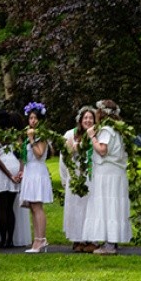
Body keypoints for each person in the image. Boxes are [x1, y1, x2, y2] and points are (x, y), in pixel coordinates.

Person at [83, 99, 132, 255]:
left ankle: (109, 245)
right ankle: (111, 240)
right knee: (112, 206)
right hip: (116, 174)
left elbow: (102, 150)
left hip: (107, 174)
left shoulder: (106, 130)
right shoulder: (118, 130)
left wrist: (92, 136)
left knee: (106, 205)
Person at [20, 102, 54, 253]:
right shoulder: (29, 135)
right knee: (32, 207)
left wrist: (32, 139)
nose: (32, 121)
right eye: (30, 118)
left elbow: (39, 154)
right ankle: (37, 239)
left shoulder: (41, 136)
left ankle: (41, 239)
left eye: (35, 118)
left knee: (37, 206)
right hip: (30, 171)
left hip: (37, 172)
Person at [0, 109, 24, 249]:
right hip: (15, 165)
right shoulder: (14, 135)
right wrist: (20, 171)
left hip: (3, 169)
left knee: (1, 207)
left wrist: (9, 175)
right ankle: (10, 240)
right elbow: (22, 154)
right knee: (10, 207)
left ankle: (3, 240)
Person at [62, 106, 96, 252]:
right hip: (75, 175)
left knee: (90, 207)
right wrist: (65, 178)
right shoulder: (70, 134)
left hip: (91, 176)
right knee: (75, 207)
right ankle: (77, 239)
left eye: (91, 118)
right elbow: (64, 158)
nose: (88, 120)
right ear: (80, 120)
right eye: (85, 118)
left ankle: (90, 239)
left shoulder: (97, 134)